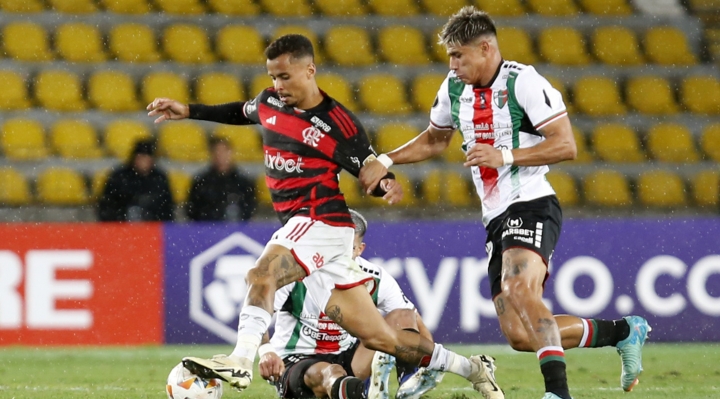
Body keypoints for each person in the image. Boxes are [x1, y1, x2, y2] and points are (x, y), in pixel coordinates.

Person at [147, 34, 502, 399]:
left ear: (309, 70)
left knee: (261, 274)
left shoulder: (337, 123)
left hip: (321, 219)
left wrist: (386, 185)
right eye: (272, 76)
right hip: (312, 232)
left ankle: (240, 358)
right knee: (381, 337)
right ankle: (473, 369)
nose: (277, 86)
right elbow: (240, 112)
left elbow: (369, 167)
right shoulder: (269, 102)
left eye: (285, 76)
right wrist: (188, 110)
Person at [359, 7, 650, 399]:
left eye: (459, 55)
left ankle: (557, 393)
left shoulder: (523, 82)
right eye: (449, 56)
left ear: (485, 48)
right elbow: (435, 139)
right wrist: (387, 159)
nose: (453, 64)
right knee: (518, 334)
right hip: (495, 216)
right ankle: (623, 332)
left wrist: (505, 155)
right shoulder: (453, 87)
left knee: (518, 289)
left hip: (531, 201)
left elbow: (566, 144)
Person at [258, 210, 449, 399]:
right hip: (297, 360)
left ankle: (408, 389)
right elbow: (259, 312)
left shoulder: (374, 277)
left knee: (403, 316)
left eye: (346, 247)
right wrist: (266, 351)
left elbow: (413, 320)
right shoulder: (293, 272)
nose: (337, 254)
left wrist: (432, 362)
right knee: (331, 372)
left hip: (350, 356)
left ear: (360, 249)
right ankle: (351, 390)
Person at [98, 138, 174, 222]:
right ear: (134, 158)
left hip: (153, 228)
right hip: (122, 227)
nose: (143, 162)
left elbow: (167, 208)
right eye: (141, 158)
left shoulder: (159, 178)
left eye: (146, 158)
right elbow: (107, 205)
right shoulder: (119, 177)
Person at [186, 137, 257, 222]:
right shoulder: (201, 182)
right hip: (207, 229)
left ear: (231, 153)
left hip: (236, 230)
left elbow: (249, 210)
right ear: (211, 154)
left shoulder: (244, 183)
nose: (220, 155)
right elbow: (193, 212)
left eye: (224, 151)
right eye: (217, 151)